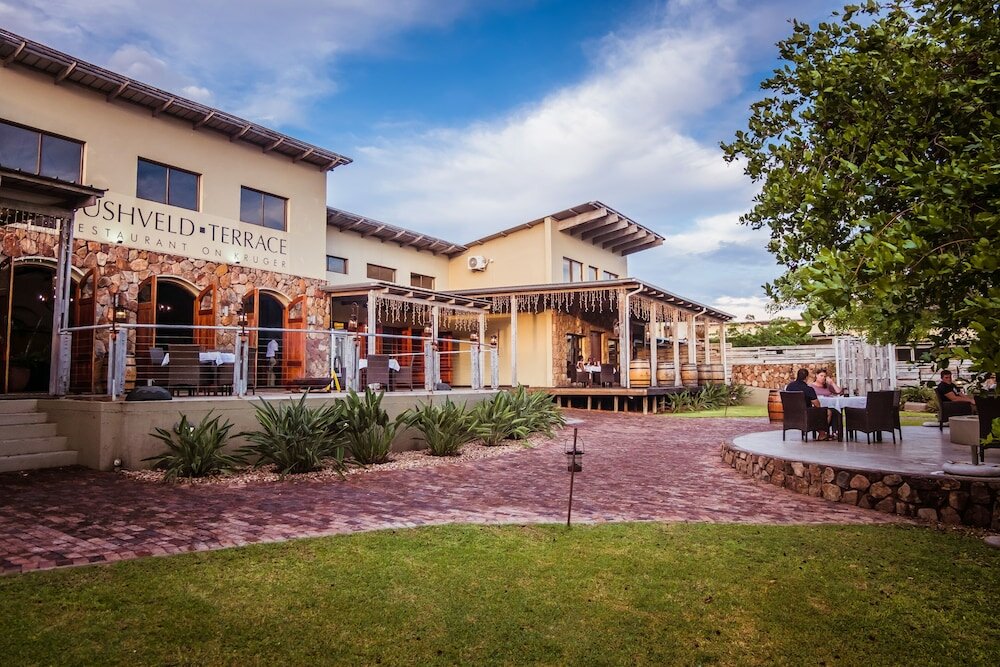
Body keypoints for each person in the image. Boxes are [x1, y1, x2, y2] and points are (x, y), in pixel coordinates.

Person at [786, 367, 837, 440]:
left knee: (817, 412)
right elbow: (817, 405)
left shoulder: (789, 386)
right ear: (806, 377)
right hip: (806, 413)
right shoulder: (808, 389)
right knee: (827, 412)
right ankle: (822, 434)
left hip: (791, 413)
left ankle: (822, 433)